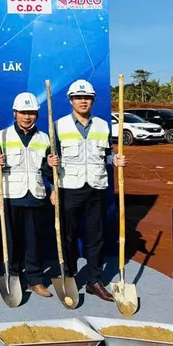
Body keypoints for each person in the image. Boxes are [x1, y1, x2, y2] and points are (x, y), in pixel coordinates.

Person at [54, 79, 127, 302]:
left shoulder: (103, 126)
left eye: (87, 98)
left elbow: (106, 154)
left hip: (96, 187)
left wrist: (115, 160)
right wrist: (52, 182)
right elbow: (51, 159)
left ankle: (94, 280)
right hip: (69, 187)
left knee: (96, 236)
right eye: (78, 97)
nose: (83, 101)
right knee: (68, 235)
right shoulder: (58, 126)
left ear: (93, 100)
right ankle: (69, 275)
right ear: (71, 100)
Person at [0, 92, 58, 297]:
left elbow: (48, 171)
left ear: (37, 114)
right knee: (10, 240)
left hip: (35, 195)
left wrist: (51, 168)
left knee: (33, 240)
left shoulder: (45, 138)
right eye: (23, 112)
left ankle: (35, 280)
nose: (27, 117)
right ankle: (13, 276)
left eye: (31, 112)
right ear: (15, 113)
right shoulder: (1, 136)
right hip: (10, 195)